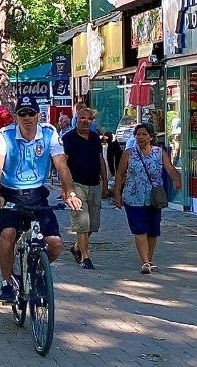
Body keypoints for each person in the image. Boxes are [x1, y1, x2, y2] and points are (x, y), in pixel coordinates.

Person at [0, 95, 79, 302]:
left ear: (38, 114)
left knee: (55, 244)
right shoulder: (5, 135)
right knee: (8, 234)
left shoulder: (49, 132)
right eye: (22, 114)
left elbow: (61, 165)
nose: (27, 118)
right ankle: (7, 283)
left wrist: (69, 192)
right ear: (16, 116)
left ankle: (36, 271)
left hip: (37, 194)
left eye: (31, 113)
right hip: (9, 193)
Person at [113, 123, 180, 274]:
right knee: (140, 229)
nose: (140, 137)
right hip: (133, 197)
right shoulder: (128, 154)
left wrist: (176, 180)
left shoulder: (159, 152)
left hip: (153, 197)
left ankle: (149, 260)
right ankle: (145, 262)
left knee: (153, 230)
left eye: (144, 134)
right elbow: (119, 175)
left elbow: (169, 168)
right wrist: (117, 194)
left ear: (151, 137)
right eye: (138, 134)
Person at [61, 105, 109, 270]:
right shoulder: (69, 138)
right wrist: (66, 189)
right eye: (82, 118)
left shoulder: (95, 137)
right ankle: (85, 256)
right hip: (76, 185)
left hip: (94, 183)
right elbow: (63, 165)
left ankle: (76, 247)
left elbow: (100, 160)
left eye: (89, 119)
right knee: (82, 222)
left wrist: (105, 182)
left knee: (93, 224)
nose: (86, 121)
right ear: (76, 119)